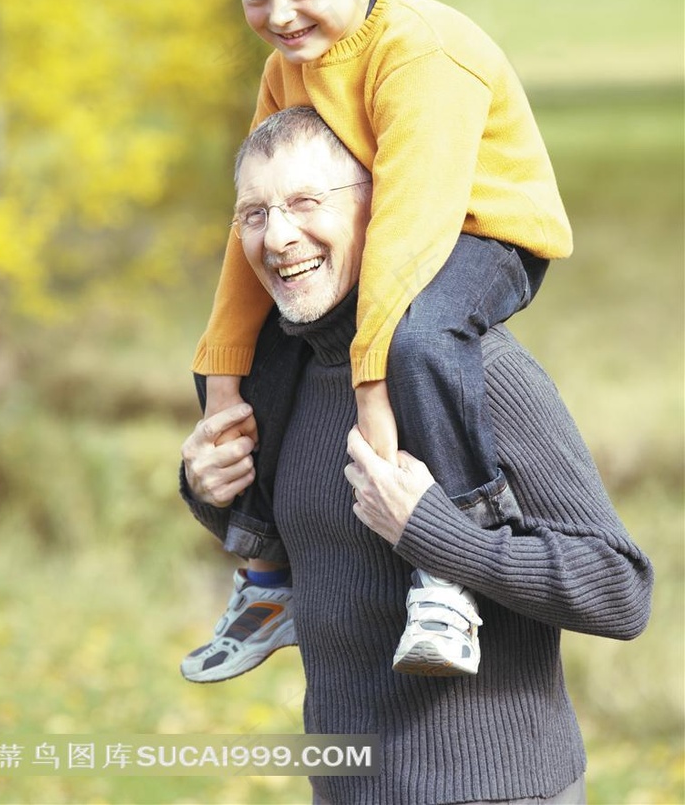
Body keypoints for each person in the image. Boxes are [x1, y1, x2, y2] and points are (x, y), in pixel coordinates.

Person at [179, 108, 653, 805]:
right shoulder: (285, 379)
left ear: (382, 209)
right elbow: (321, 553)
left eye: (307, 202)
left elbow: (620, 589)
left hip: (497, 790)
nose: (278, 236)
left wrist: (433, 530)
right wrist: (208, 489)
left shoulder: (476, 372)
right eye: (254, 212)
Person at [185, 0, 575, 680]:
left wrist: (372, 384)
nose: (279, 15)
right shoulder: (290, 64)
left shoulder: (419, 53)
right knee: (241, 350)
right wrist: (222, 375)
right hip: (395, 224)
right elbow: (250, 219)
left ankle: (452, 567)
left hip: (483, 228)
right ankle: (268, 575)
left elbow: (409, 225)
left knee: (421, 338)